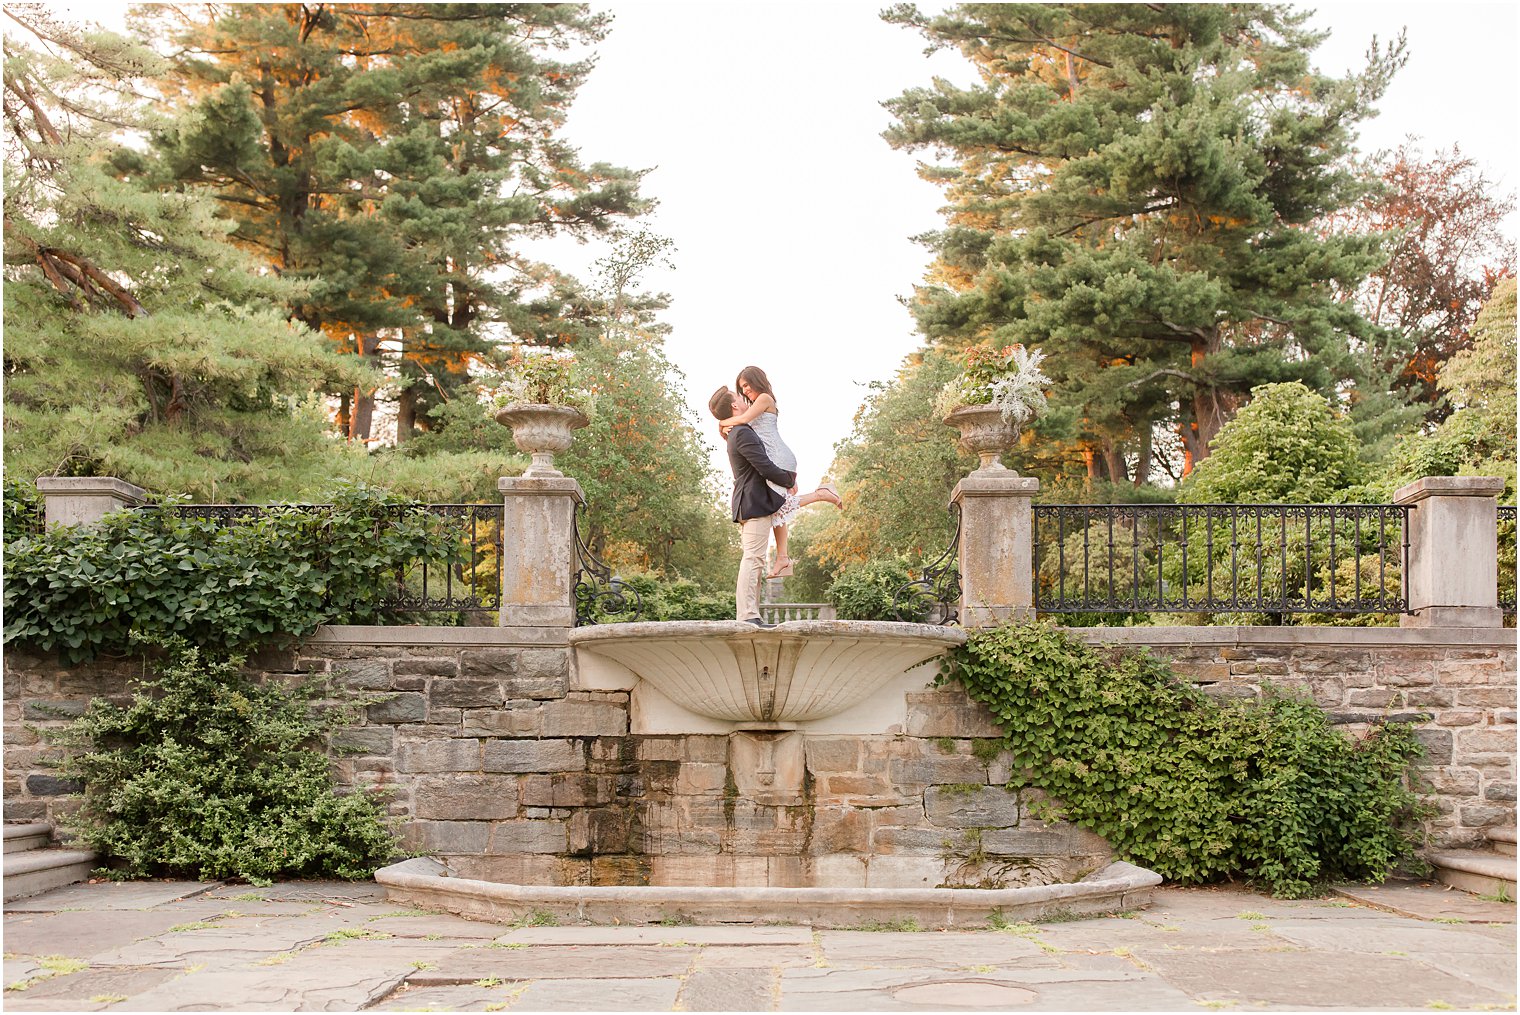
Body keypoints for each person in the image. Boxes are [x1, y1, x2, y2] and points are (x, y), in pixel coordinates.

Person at [717, 365, 842, 577]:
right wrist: (725, 429)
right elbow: (739, 432)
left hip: (778, 455)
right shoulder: (752, 405)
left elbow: (743, 421)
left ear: (757, 380)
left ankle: (822, 494)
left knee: (779, 505)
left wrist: (721, 422)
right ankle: (783, 557)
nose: (745, 391)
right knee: (775, 507)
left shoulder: (765, 398)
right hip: (774, 456)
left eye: (746, 385)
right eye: (741, 388)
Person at [709, 385, 797, 626]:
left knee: (754, 559)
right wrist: (789, 479)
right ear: (735, 405)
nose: (745, 397)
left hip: (751, 502)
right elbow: (764, 466)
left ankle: (752, 614)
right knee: (753, 559)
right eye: (739, 396)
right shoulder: (743, 433)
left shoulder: (737, 431)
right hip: (753, 502)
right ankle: (747, 616)